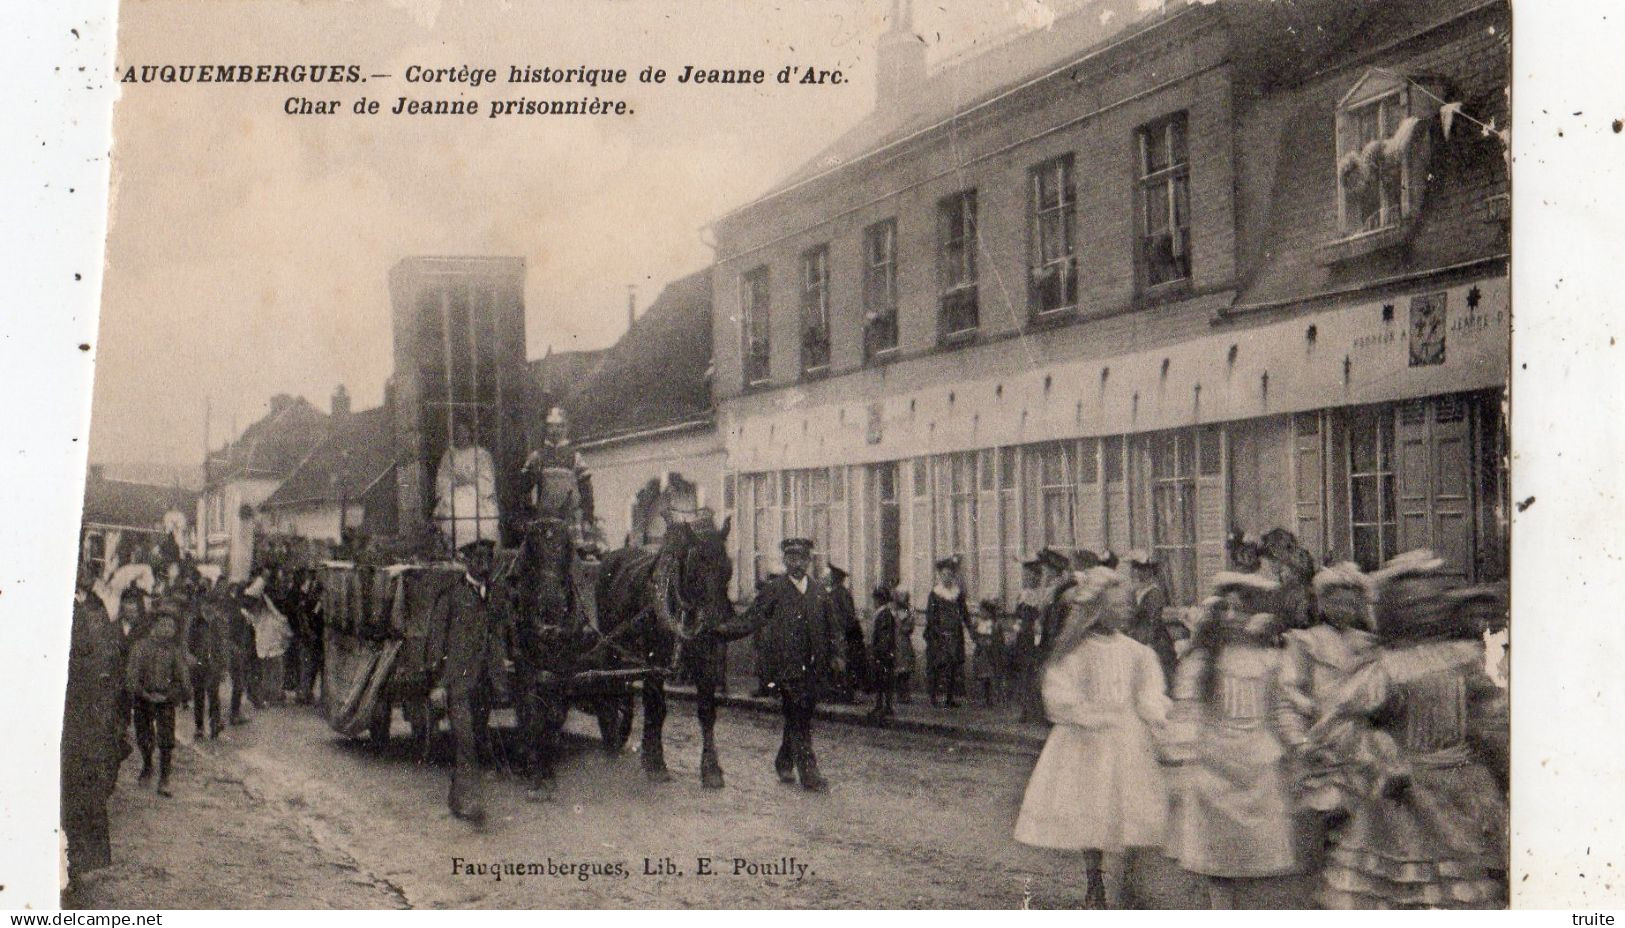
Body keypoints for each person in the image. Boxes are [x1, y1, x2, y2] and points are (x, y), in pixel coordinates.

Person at [1309, 551, 1508, 909]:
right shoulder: (1385, 668)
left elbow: (1489, 719)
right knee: (1406, 885)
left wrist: (1500, 756)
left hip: (1466, 786)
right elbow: (1339, 722)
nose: (1425, 609)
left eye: (1432, 600)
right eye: (1414, 602)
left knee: (1469, 885)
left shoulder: (1464, 657)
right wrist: (1381, 756)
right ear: (1394, 609)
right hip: (1407, 794)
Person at [1015, 568, 1172, 908]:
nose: (1125, 611)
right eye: (1116, 606)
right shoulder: (1076, 651)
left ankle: (1128, 878)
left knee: (1131, 808)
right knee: (1093, 810)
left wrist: (1158, 718)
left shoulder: (1137, 653)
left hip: (1128, 739)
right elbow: (1059, 694)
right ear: (1098, 608)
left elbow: (1149, 693)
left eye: (1126, 605)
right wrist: (1085, 715)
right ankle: (1094, 880)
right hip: (1089, 741)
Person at [1166, 571, 1300, 908]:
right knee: (1217, 859)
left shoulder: (1272, 660)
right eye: (1227, 609)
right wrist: (1183, 752)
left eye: (1242, 610)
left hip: (1257, 766)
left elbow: (1283, 708)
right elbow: (1188, 709)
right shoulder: (1202, 661)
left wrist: (1299, 742)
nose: (1233, 618)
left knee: (1255, 857)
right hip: (1214, 765)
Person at [732, 538, 845, 791]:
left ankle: (784, 761)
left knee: (801, 714)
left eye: (802, 559)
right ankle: (809, 773)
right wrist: (723, 632)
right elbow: (752, 619)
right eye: (792, 559)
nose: (797, 564)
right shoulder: (774, 590)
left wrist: (838, 655)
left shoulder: (818, 592)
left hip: (814, 666)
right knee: (798, 715)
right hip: (785, 666)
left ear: (809, 561)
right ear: (785, 561)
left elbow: (834, 627)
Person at [1276, 561, 1379, 833]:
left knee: (1361, 814)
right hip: (1318, 732)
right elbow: (1290, 691)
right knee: (1322, 805)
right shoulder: (1306, 642)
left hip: (1356, 737)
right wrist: (1299, 739)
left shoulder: (1367, 644)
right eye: (1335, 602)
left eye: (1350, 603)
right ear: (1321, 604)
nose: (1343, 610)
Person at [427, 537, 507, 822]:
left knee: (476, 739)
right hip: (457, 684)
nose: (483, 563)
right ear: (467, 561)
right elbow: (436, 641)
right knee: (465, 741)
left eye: (488, 557)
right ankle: (468, 802)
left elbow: (501, 634)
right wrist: (436, 683)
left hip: (484, 684)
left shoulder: (495, 596)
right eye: (478, 558)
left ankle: (457, 797)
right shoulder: (451, 596)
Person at [62, 566, 123, 883]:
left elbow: (110, 662)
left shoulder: (94, 612)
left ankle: (76, 862)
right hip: (70, 713)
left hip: (84, 715)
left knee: (81, 788)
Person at [125, 601, 191, 796]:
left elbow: (183, 679)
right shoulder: (140, 647)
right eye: (163, 625)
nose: (167, 630)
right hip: (143, 698)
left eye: (171, 626)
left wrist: (170, 695)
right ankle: (147, 764)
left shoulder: (174, 651)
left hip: (165, 700)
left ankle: (164, 777)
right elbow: (131, 675)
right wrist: (142, 692)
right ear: (153, 626)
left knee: (166, 740)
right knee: (144, 737)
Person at [436, 417, 501, 551]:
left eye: (465, 432)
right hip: (455, 492)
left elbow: (487, 478)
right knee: (455, 514)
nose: (462, 435)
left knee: (481, 518)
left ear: (470, 433)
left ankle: (480, 546)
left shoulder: (481, 454)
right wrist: (453, 483)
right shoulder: (449, 455)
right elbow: (443, 477)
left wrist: (472, 481)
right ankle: (460, 549)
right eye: (459, 432)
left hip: (476, 492)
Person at [1125, 550, 1179, 693]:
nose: (1139, 573)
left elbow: (1153, 619)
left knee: (1156, 673)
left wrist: (1148, 641)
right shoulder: (1137, 590)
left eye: (1143, 570)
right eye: (1136, 570)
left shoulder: (1154, 592)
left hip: (1153, 636)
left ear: (1150, 572)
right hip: (1138, 634)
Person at [924, 556, 972, 708]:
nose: (947, 578)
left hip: (955, 634)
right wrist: (937, 631)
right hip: (938, 635)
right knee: (937, 665)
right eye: (944, 575)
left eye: (950, 575)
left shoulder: (957, 594)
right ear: (940, 575)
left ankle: (949, 697)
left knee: (953, 665)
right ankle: (933, 697)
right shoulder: (935, 594)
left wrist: (971, 630)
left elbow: (964, 613)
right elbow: (930, 616)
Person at [187, 580, 231, 739]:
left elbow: (223, 645)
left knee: (214, 695)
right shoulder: (196, 623)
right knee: (199, 696)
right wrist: (190, 657)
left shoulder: (218, 623)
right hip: (198, 664)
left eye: (211, 605)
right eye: (205, 604)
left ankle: (215, 724)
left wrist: (224, 667)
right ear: (201, 605)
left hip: (214, 665)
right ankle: (199, 727)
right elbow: (189, 643)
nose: (208, 608)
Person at [1012, 554, 1046, 723]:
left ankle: (1038, 710)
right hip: (1023, 638)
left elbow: (1041, 619)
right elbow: (1017, 617)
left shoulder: (1042, 595)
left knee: (1036, 673)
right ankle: (1025, 710)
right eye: (1028, 574)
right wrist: (1015, 632)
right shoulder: (1023, 594)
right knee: (1023, 674)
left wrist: (1038, 637)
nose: (1031, 578)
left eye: (1035, 575)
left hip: (1036, 638)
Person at [827, 565, 865, 704]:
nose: (830, 578)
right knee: (836, 664)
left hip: (841, 635)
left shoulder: (841, 594)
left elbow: (848, 615)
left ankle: (846, 694)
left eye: (832, 576)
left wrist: (842, 630)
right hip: (835, 634)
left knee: (844, 664)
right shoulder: (835, 593)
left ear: (837, 578)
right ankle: (838, 693)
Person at [867, 584, 898, 720]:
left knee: (884, 680)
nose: (873, 602)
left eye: (875, 599)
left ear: (880, 600)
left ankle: (885, 706)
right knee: (881, 680)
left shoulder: (884, 614)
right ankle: (881, 705)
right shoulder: (881, 613)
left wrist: (879, 651)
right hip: (882, 652)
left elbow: (885, 636)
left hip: (883, 654)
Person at [971, 599, 1005, 707]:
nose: (981, 613)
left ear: (989, 612)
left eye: (984, 611)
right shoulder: (978, 623)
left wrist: (993, 642)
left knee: (991, 676)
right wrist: (978, 639)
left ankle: (991, 699)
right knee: (981, 677)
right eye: (981, 611)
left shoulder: (995, 624)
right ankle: (982, 698)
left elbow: (1000, 639)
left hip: (991, 653)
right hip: (980, 652)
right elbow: (974, 635)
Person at [893, 587, 916, 704]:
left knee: (905, 670)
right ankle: (901, 694)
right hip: (897, 642)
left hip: (904, 642)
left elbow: (910, 627)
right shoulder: (896, 611)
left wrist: (908, 625)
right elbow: (901, 626)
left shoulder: (907, 610)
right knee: (899, 670)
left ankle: (905, 693)